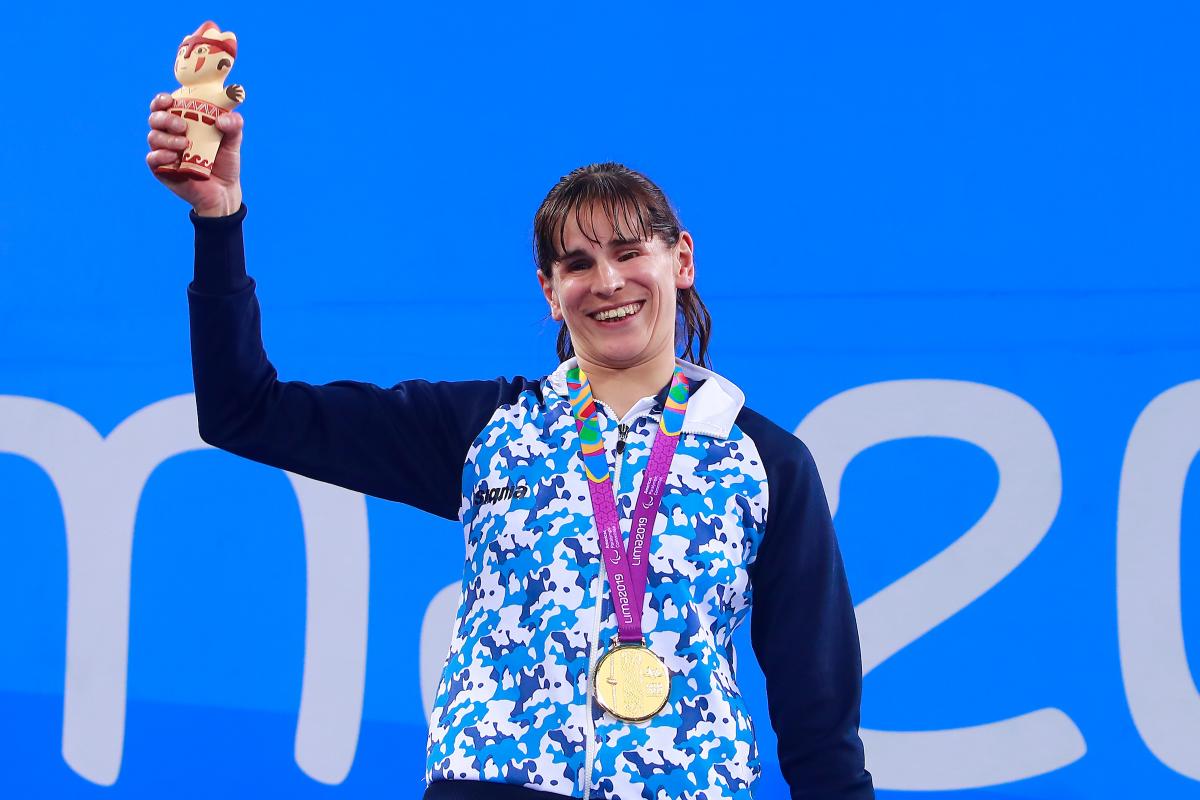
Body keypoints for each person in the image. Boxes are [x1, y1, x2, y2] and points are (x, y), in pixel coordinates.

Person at [146, 92, 875, 800]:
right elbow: (242, 411)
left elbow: (818, 706)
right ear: (550, 290)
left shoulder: (765, 462)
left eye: (629, 251)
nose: (608, 281)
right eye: (578, 264)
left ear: (681, 259)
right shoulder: (486, 428)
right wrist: (218, 219)